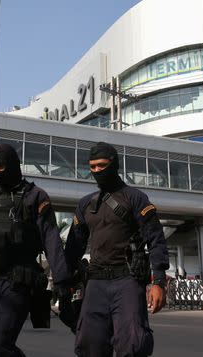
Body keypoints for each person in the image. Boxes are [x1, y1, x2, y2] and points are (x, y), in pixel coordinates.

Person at [0, 144, 70, 357]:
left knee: (0, 345)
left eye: (1, 167)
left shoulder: (35, 196)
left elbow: (51, 240)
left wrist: (62, 283)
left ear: (13, 165)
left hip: (19, 282)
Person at [65, 142, 169, 357]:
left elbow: (156, 239)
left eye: (101, 165)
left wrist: (158, 282)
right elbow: (73, 248)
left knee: (132, 344)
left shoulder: (136, 198)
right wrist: (64, 281)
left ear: (114, 164)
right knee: (88, 345)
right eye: (92, 167)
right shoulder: (86, 204)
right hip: (95, 282)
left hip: (127, 280)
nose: (96, 171)